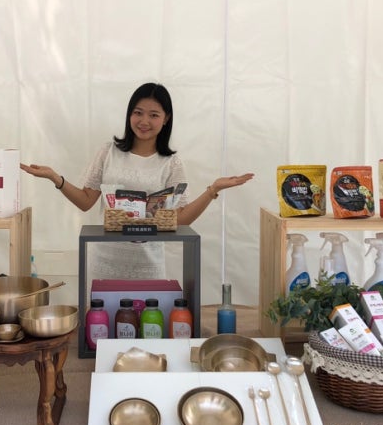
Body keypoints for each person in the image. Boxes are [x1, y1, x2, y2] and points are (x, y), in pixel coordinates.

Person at [21, 82, 253, 279]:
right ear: (129, 114)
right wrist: (55, 178)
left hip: (148, 266)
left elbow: (181, 218)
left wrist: (213, 190)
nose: (144, 121)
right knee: (102, 318)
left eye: (154, 115)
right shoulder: (108, 152)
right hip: (105, 262)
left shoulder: (171, 163)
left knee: (150, 318)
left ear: (166, 119)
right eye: (138, 112)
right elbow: (85, 201)